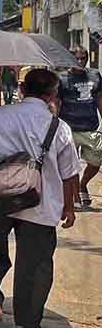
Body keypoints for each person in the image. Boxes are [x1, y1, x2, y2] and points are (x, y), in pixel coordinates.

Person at [0, 69, 79, 328]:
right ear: (52, 95)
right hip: (40, 204)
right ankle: (30, 325)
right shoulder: (59, 127)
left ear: (22, 90)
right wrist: (69, 208)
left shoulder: (0, 115)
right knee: (36, 263)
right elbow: (70, 174)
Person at [58, 46, 102, 208]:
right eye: (76, 58)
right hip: (69, 128)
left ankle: (83, 184)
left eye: (83, 58)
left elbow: (99, 98)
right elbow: (57, 102)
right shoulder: (61, 79)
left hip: (91, 127)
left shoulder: (95, 75)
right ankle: (76, 197)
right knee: (72, 165)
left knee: (96, 161)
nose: (79, 61)